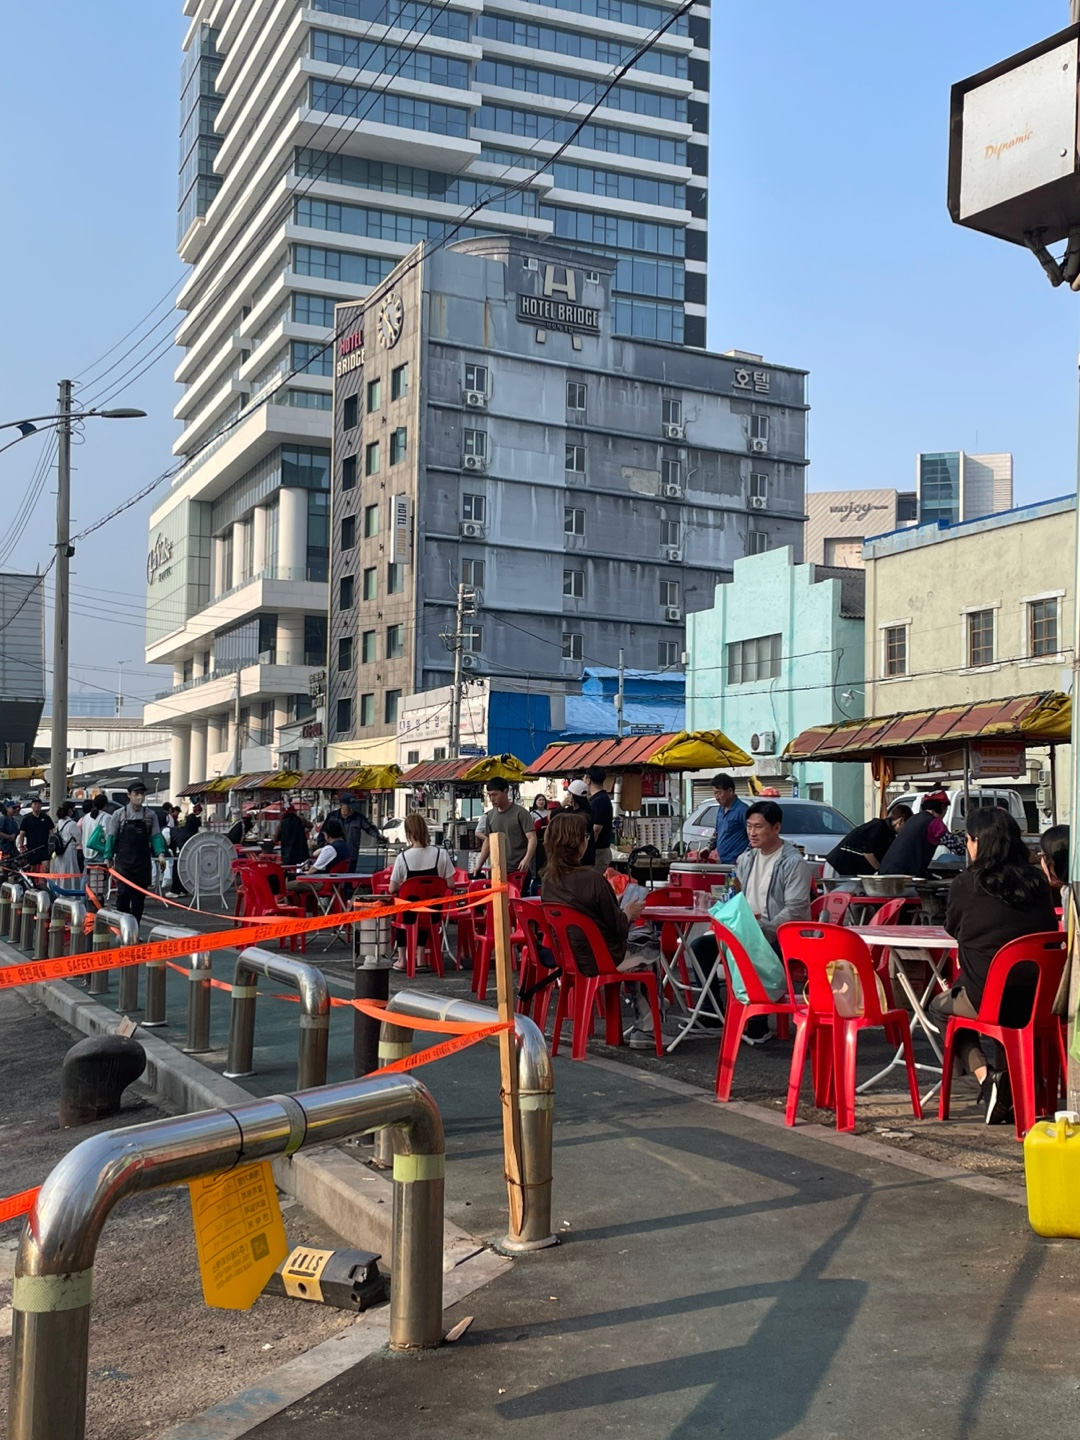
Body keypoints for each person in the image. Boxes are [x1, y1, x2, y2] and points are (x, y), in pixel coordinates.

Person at [929, 806, 1058, 1125]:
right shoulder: (1038, 882)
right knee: (1006, 1011)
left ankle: (987, 1077)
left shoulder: (966, 884)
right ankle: (1013, 1088)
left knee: (939, 1008)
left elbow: (952, 928)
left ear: (978, 841)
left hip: (987, 998)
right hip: (1040, 998)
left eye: (968, 839)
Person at [689, 799, 814, 1045]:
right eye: (749, 826)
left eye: (758, 827)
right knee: (699, 947)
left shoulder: (794, 863)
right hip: (746, 931)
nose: (752, 833)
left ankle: (758, 1022)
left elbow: (796, 910)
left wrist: (762, 930)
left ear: (776, 828)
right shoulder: (745, 859)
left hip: (781, 936)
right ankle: (711, 1013)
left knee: (748, 949)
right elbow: (732, 895)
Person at [540, 810, 657, 1048]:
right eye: (585, 837)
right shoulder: (593, 879)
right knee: (650, 947)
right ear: (577, 844)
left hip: (570, 957)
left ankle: (650, 1012)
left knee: (640, 945)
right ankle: (647, 1025)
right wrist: (629, 912)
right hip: (605, 957)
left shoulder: (548, 880)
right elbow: (619, 928)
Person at [388, 813, 457, 970]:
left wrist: (406, 885)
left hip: (409, 915)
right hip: (433, 914)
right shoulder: (441, 854)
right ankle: (420, 959)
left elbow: (392, 888)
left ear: (408, 833)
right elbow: (451, 884)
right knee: (425, 905)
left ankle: (402, 959)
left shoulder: (402, 858)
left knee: (403, 913)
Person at [104, 780, 166, 925]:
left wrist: (161, 853)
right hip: (123, 863)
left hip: (142, 863)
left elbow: (156, 836)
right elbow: (111, 837)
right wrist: (107, 857)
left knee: (139, 899)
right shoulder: (119, 814)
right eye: (136, 793)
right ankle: (124, 926)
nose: (140, 797)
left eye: (142, 794)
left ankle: (135, 927)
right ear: (129, 795)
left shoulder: (151, 815)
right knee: (123, 895)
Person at [824, 804, 913, 880]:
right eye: (906, 825)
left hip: (852, 872)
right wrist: (880, 872)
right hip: (838, 867)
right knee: (836, 894)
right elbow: (868, 852)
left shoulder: (890, 835)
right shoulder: (878, 826)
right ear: (900, 821)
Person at [877, 791, 954, 877]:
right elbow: (956, 846)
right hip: (903, 875)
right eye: (946, 809)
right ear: (942, 807)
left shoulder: (914, 818)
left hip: (886, 871)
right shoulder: (935, 823)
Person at [286, 816, 350, 910]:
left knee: (286, 886)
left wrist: (303, 874)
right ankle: (306, 910)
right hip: (335, 884)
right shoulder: (344, 846)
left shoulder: (331, 849)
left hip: (322, 883)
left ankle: (294, 911)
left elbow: (313, 869)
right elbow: (316, 854)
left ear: (326, 835)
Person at [476, 778, 536, 877]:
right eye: (489, 795)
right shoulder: (490, 815)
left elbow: (532, 838)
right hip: (497, 868)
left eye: (495, 794)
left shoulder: (521, 813)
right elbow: (488, 841)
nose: (492, 799)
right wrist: (479, 864)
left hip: (518, 868)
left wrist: (526, 859)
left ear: (506, 792)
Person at [709, 774, 749, 864]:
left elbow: (753, 836)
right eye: (715, 793)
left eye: (719, 793)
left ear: (730, 791)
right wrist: (708, 848)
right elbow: (717, 832)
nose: (717, 797)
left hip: (737, 863)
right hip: (723, 861)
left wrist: (744, 857)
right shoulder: (721, 809)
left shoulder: (742, 810)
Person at [338, 794, 382, 870]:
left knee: (350, 875)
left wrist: (378, 836)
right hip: (337, 856)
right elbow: (324, 833)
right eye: (349, 807)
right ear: (341, 806)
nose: (351, 809)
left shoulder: (358, 817)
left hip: (352, 855)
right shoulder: (333, 817)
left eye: (353, 807)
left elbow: (370, 828)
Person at [587, 767, 615, 873]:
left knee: (593, 880)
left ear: (588, 780)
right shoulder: (599, 799)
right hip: (599, 851)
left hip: (598, 852)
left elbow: (596, 829)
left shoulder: (599, 801)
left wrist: (588, 850)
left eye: (583, 778)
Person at [17, 795, 54, 870]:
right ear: (31, 806)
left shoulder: (46, 818)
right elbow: (22, 834)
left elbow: (51, 832)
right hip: (31, 848)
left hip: (44, 847)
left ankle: (44, 878)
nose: (37, 806)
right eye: (35, 804)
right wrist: (21, 846)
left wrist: (52, 844)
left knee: (46, 868)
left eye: (39, 804)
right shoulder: (26, 820)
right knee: (32, 869)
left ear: (41, 806)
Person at [565, 780, 596, 867]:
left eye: (568, 793)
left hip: (578, 858)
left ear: (572, 795)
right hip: (586, 857)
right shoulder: (587, 811)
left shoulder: (580, 816)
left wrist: (561, 805)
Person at [276, 802, 312, 869]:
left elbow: (275, 838)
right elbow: (311, 825)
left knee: (288, 870)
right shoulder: (301, 819)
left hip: (287, 855)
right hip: (301, 853)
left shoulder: (281, 823)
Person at [51, 801, 81, 880]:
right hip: (70, 851)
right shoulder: (72, 824)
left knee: (61, 872)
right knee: (71, 872)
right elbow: (79, 839)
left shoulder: (59, 822)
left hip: (59, 851)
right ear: (70, 810)